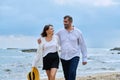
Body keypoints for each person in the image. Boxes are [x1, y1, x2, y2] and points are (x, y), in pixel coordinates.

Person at [56, 15, 87, 80]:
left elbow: (82, 45)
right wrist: (42, 39)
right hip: (63, 57)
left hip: (74, 56)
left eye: (66, 21)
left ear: (70, 22)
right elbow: (52, 39)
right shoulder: (60, 32)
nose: (64, 23)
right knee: (67, 76)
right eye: (64, 21)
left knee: (72, 72)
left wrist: (84, 58)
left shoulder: (78, 32)